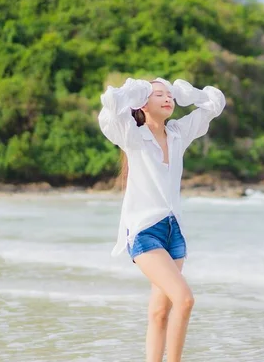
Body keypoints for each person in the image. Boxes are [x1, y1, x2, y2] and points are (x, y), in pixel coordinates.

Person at [97, 77, 226, 362]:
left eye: (169, 95)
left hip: (173, 232)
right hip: (145, 232)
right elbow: (109, 106)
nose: (168, 98)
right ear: (143, 102)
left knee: (159, 312)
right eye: (159, 95)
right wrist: (141, 89)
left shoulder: (178, 133)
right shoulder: (132, 134)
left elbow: (215, 103)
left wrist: (184, 92)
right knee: (185, 299)